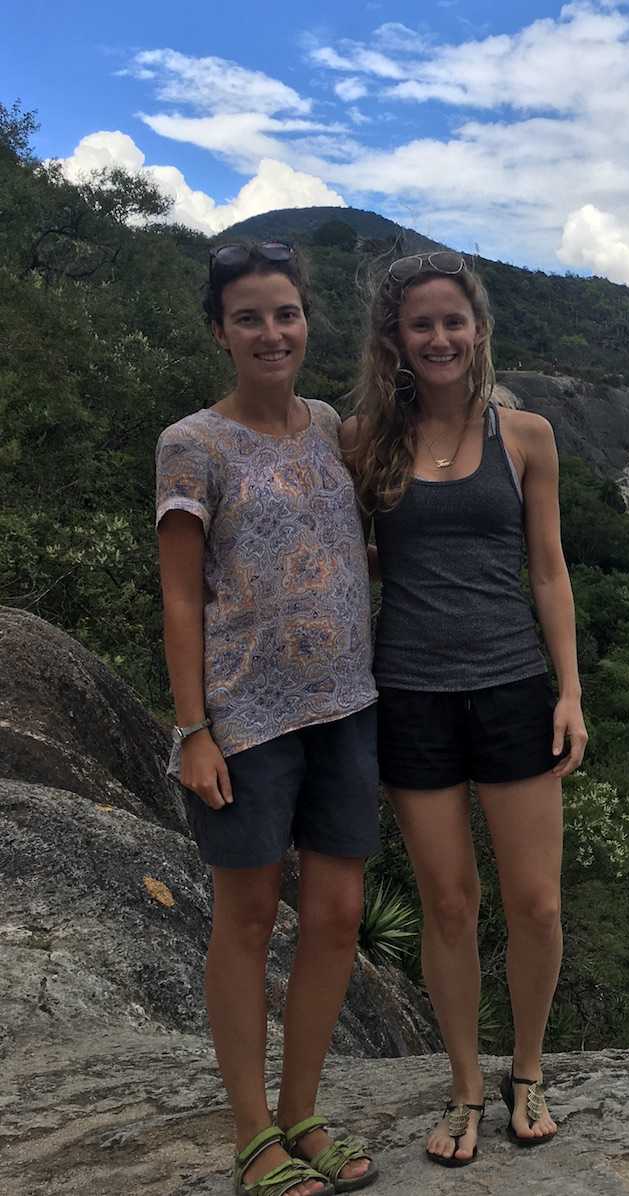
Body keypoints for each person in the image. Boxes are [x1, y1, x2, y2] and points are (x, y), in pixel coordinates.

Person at [343, 249, 587, 1167]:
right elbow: (351, 555)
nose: (440, 338)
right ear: (396, 339)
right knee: (447, 903)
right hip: (408, 693)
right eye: (421, 324)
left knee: (536, 901)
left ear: (477, 329)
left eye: (454, 321)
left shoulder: (527, 435)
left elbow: (549, 569)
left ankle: (526, 1068)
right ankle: (464, 1085)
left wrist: (569, 692)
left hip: (513, 686)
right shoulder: (366, 439)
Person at [156, 241, 380, 1195]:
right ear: (220, 331)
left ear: (305, 321)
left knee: (335, 918)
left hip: (346, 705)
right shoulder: (191, 444)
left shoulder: (330, 424)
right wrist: (192, 727)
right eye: (248, 316)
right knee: (245, 922)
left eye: (284, 313)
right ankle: (254, 1137)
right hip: (246, 721)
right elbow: (177, 597)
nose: (270, 331)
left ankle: (303, 1113)